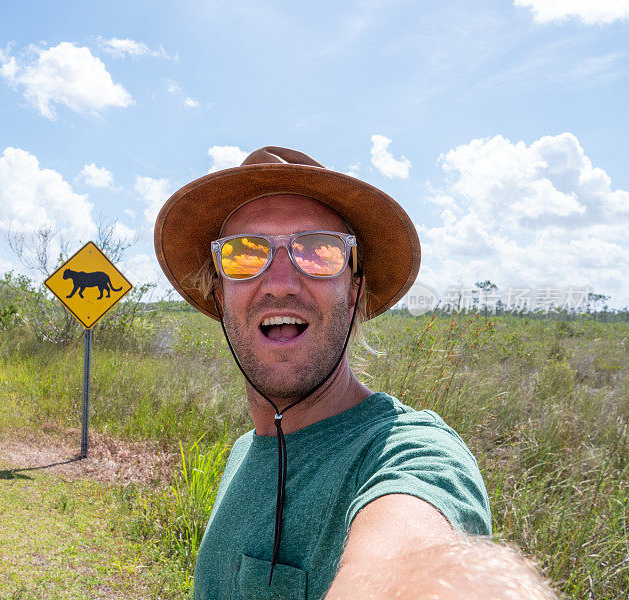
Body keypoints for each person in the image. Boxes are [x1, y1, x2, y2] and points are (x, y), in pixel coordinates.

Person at [153, 146, 557, 599]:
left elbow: (417, 564)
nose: (282, 282)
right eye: (244, 254)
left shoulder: (407, 454)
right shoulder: (245, 451)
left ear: (353, 292)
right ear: (220, 295)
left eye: (319, 251)